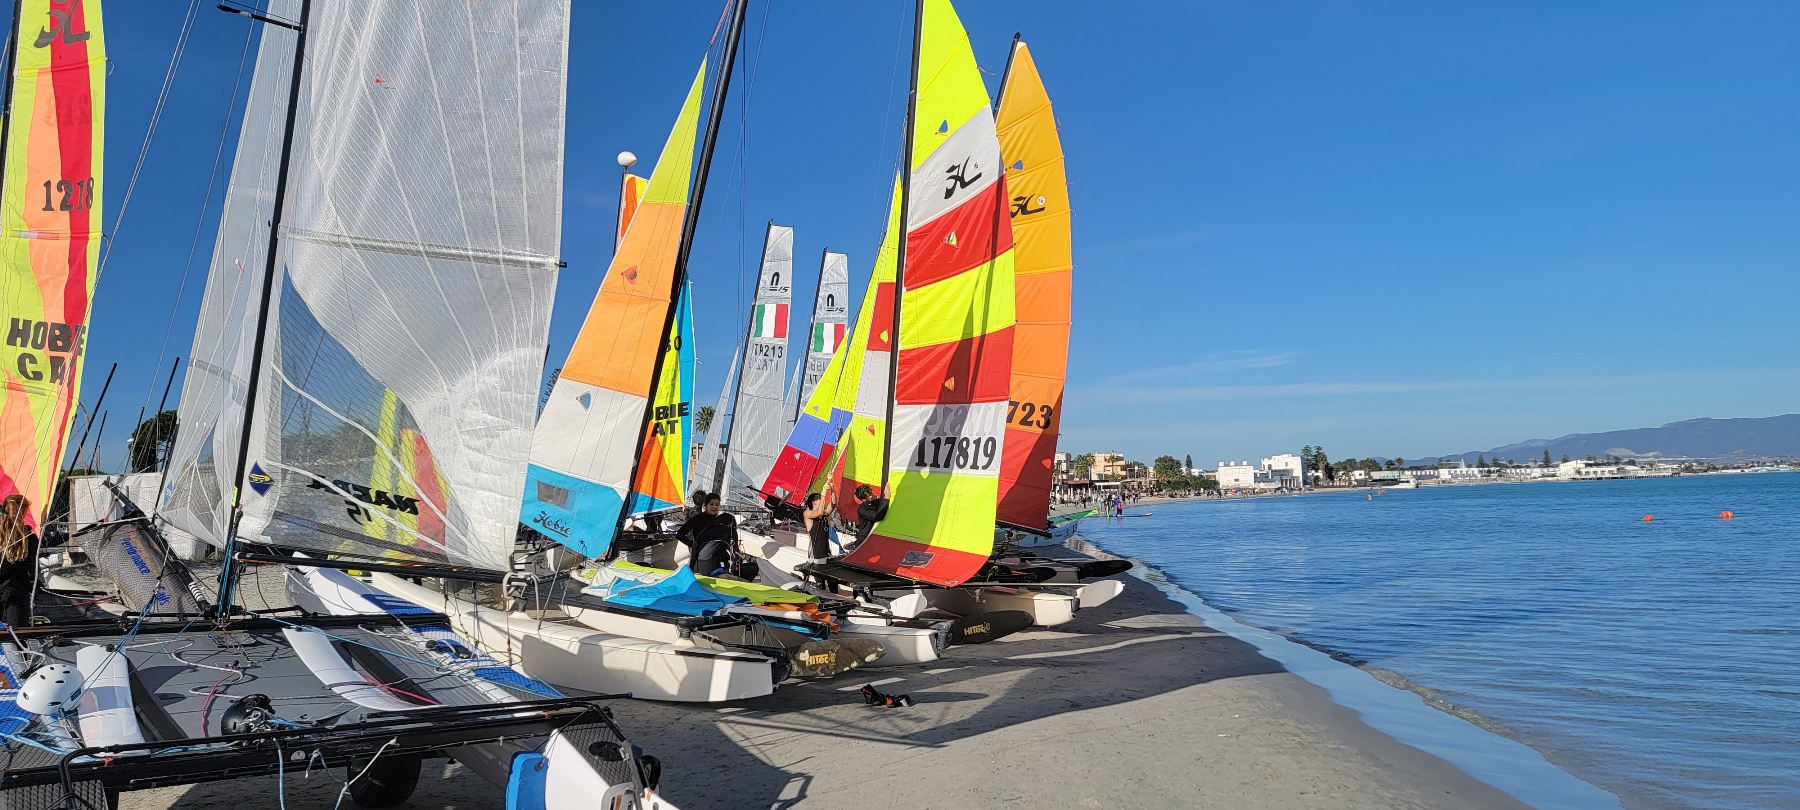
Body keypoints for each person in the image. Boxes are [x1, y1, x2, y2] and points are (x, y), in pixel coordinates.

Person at [0, 495, 39, 629]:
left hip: (3, 588)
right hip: (17, 593)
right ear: (23, 511)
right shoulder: (28, 537)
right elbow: (33, 569)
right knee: (17, 634)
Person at [675, 493, 736, 576]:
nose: (714, 507)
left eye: (717, 504)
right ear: (705, 505)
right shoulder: (698, 518)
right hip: (699, 555)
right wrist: (693, 545)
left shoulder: (717, 520)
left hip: (714, 557)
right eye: (711, 504)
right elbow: (680, 534)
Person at [849, 484, 889, 551]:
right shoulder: (862, 510)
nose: (873, 494)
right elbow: (878, 516)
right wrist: (887, 498)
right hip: (864, 541)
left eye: (871, 491)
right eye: (870, 494)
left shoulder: (876, 502)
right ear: (864, 499)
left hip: (874, 539)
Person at [801, 489, 834, 561]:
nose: (824, 501)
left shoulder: (824, 513)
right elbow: (819, 513)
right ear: (814, 502)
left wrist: (832, 489)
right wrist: (823, 493)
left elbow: (834, 503)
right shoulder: (807, 513)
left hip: (827, 554)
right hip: (815, 556)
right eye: (821, 500)